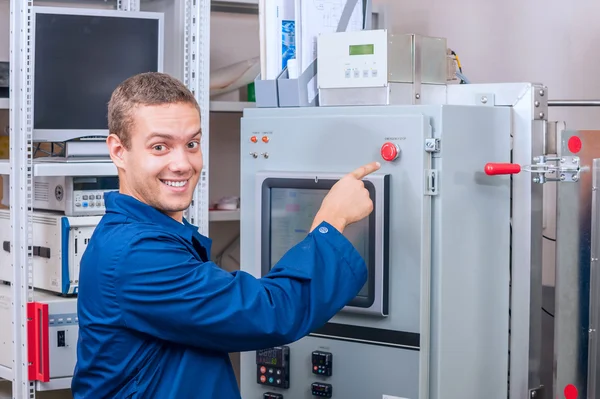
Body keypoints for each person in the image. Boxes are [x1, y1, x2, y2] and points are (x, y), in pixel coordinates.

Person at [71, 72, 381, 398]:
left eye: (192, 144)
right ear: (119, 151)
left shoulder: (153, 237)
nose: (182, 164)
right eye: (160, 147)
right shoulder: (136, 254)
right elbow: (269, 312)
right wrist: (332, 221)